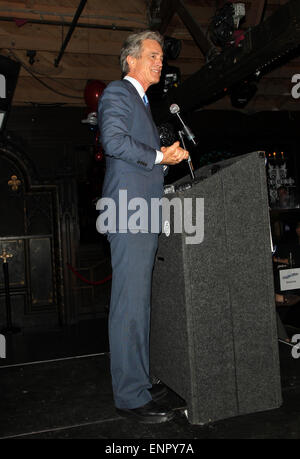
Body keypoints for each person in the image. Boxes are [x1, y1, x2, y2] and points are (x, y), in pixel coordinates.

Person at [97, 30, 189, 424]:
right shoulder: (119, 92)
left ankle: (141, 380)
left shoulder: (143, 101)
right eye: (153, 55)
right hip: (129, 210)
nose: (160, 61)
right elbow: (114, 141)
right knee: (129, 304)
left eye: (161, 57)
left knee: (139, 302)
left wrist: (165, 160)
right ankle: (130, 395)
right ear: (131, 59)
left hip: (141, 210)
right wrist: (159, 156)